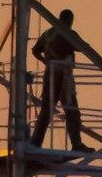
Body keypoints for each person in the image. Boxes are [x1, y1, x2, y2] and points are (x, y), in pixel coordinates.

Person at [28, 8, 87, 151]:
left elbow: (35, 50)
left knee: (47, 110)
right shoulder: (67, 33)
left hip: (49, 74)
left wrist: (46, 61)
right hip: (63, 75)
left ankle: (36, 142)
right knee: (71, 110)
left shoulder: (47, 33)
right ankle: (76, 143)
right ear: (69, 20)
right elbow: (83, 47)